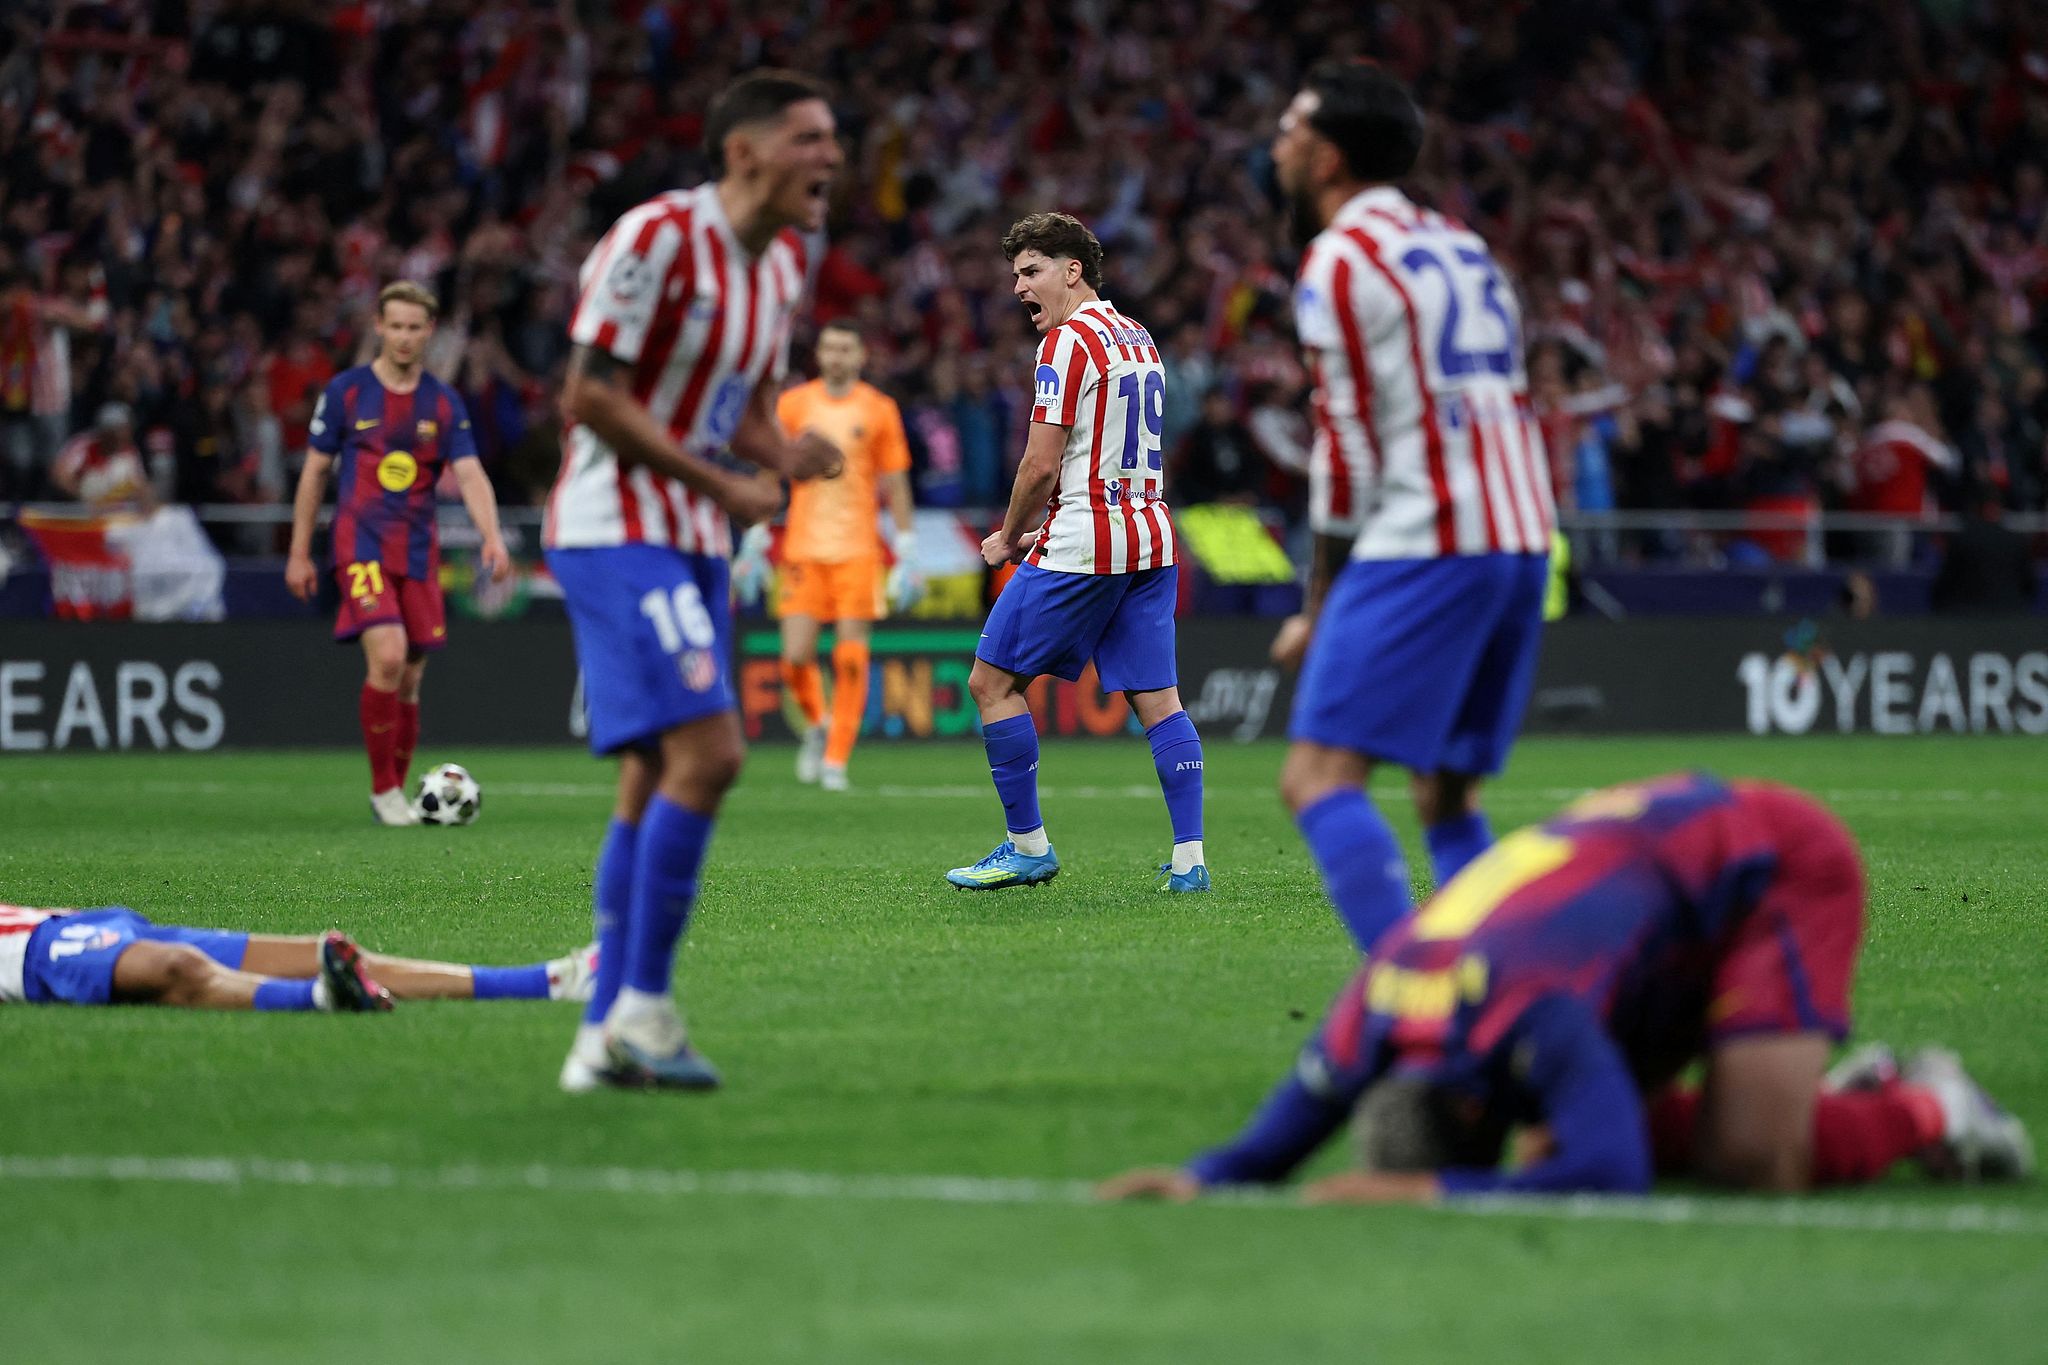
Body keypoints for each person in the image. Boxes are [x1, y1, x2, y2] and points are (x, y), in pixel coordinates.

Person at [1100, 774, 2032, 1204]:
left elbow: (1611, 1175)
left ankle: (1925, 1106)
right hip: (1641, 869)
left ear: (1476, 1114)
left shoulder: (1524, 1018)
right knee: (1575, 1133)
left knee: (1752, 1160)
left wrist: (1436, 1195)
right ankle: (1831, 1101)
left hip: (1766, 859)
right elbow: (1274, 1143)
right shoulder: (1376, 1007)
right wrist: (1195, 1181)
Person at [544, 70, 844, 1093]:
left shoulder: (783, 264)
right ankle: (646, 1012)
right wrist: (723, 480)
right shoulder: (656, 238)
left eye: (830, 139)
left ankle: (602, 1037)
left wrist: (785, 450)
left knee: (653, 773)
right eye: (807, 139)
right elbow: (587, 393)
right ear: (743, 151)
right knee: (711, 753)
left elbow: (741, 404)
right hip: (612, 525)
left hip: (693, 536)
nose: (830, 158)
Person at [1266, 62, 1553, 953]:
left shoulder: (1341, 257)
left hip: (1430, 535)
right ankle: (1504, 995)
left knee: (1316, 775)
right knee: (1445, 790)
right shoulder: (1460, 243)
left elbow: (1345, 446)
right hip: (1520, 535)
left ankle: (1421, 998)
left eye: (1292, 127)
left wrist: (1320, 603)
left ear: (1327, 160)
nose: (1276, 140)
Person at [945, 212, 1208, 894]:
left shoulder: (1066, 343)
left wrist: (1008, 534)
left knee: (991, 683)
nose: (1018, 288)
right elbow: (1111, 454)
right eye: (1014, 276)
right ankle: (1190, 860)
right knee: (1160, 701)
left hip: (1086, 543)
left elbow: (1039, 463)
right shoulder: (1138, 334)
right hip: (1149, 538)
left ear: (1072, 271)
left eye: (1030, 272)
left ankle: (1026, 845)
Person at [285, 282, 513, 827]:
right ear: (379, 328)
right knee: (387, 655)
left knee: (410, 676)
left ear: (429, 333)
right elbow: (316, 471)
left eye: (416, 327)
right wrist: (298, 552)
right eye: (397, 326)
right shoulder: (345, 392)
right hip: (360, 544)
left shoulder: (442, 401)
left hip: (416, 550)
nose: (406, 336)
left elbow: (470, 472)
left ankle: (403, 794)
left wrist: (492, 534)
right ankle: (384, 789)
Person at [747, 319, 917, 792]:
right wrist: (757, 535)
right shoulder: (793, 405)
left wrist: (906, 546)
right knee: (794, 658)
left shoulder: (879, 409)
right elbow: (770, 468)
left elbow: (896, 479)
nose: (837, 356)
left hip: (859, 550)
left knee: (850, 659)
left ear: (861, 356)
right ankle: (818, 726)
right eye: (829, 347)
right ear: (819, 355)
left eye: (845, 348)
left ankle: (836, 760)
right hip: (803, 547)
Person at [1, 902, 596, 1013]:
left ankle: (550, 981)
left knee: (325, 951)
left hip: (66, 924)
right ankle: (319, 1000)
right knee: (174, 972)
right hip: (30, 956)